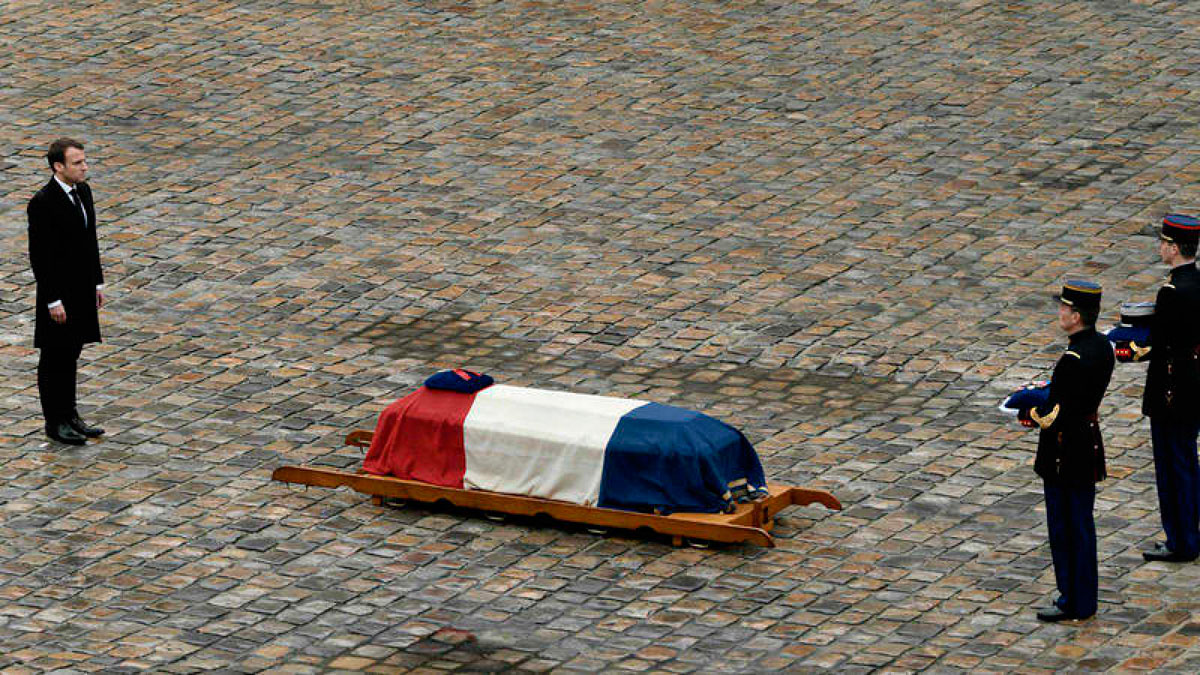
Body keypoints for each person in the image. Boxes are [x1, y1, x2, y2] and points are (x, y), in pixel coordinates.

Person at [1019, 280, 1114, 622]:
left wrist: (1026, 411)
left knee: (1065, 528)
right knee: (1082, 526)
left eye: (1064, 308)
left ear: (1076, 316)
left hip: (1064, 450)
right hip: (1087, 443)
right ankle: (1083, 598)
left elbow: (1052, 415)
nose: (1059, 312)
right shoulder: (1102, 347)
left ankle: (1072, 599)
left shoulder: (1072, 359)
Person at [1118, 214, 1200, 563]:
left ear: (1174, 247)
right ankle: (1191, 534)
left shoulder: (1171, 291)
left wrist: (1126, 345)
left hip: (1170, 390)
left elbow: (1157, 343)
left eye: (1164, 243)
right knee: (1188, 463)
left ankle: (1180, 541)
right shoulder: (1196, 282)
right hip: (1194, 384)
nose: (1161, 248)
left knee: (1172, 468)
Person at [27, 138, 106, 445]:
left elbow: (90, 240)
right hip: (58, 293)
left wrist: (97, 282)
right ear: (58, 166)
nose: (85, 167)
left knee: (72, 351)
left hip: (81, 288)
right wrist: (52, 300)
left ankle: (70, 415)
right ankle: (55, 421)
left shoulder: (83, 191)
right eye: (77, 163)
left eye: (84, 161)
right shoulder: (43, 203)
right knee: (54, 357)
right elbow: (41, 257)